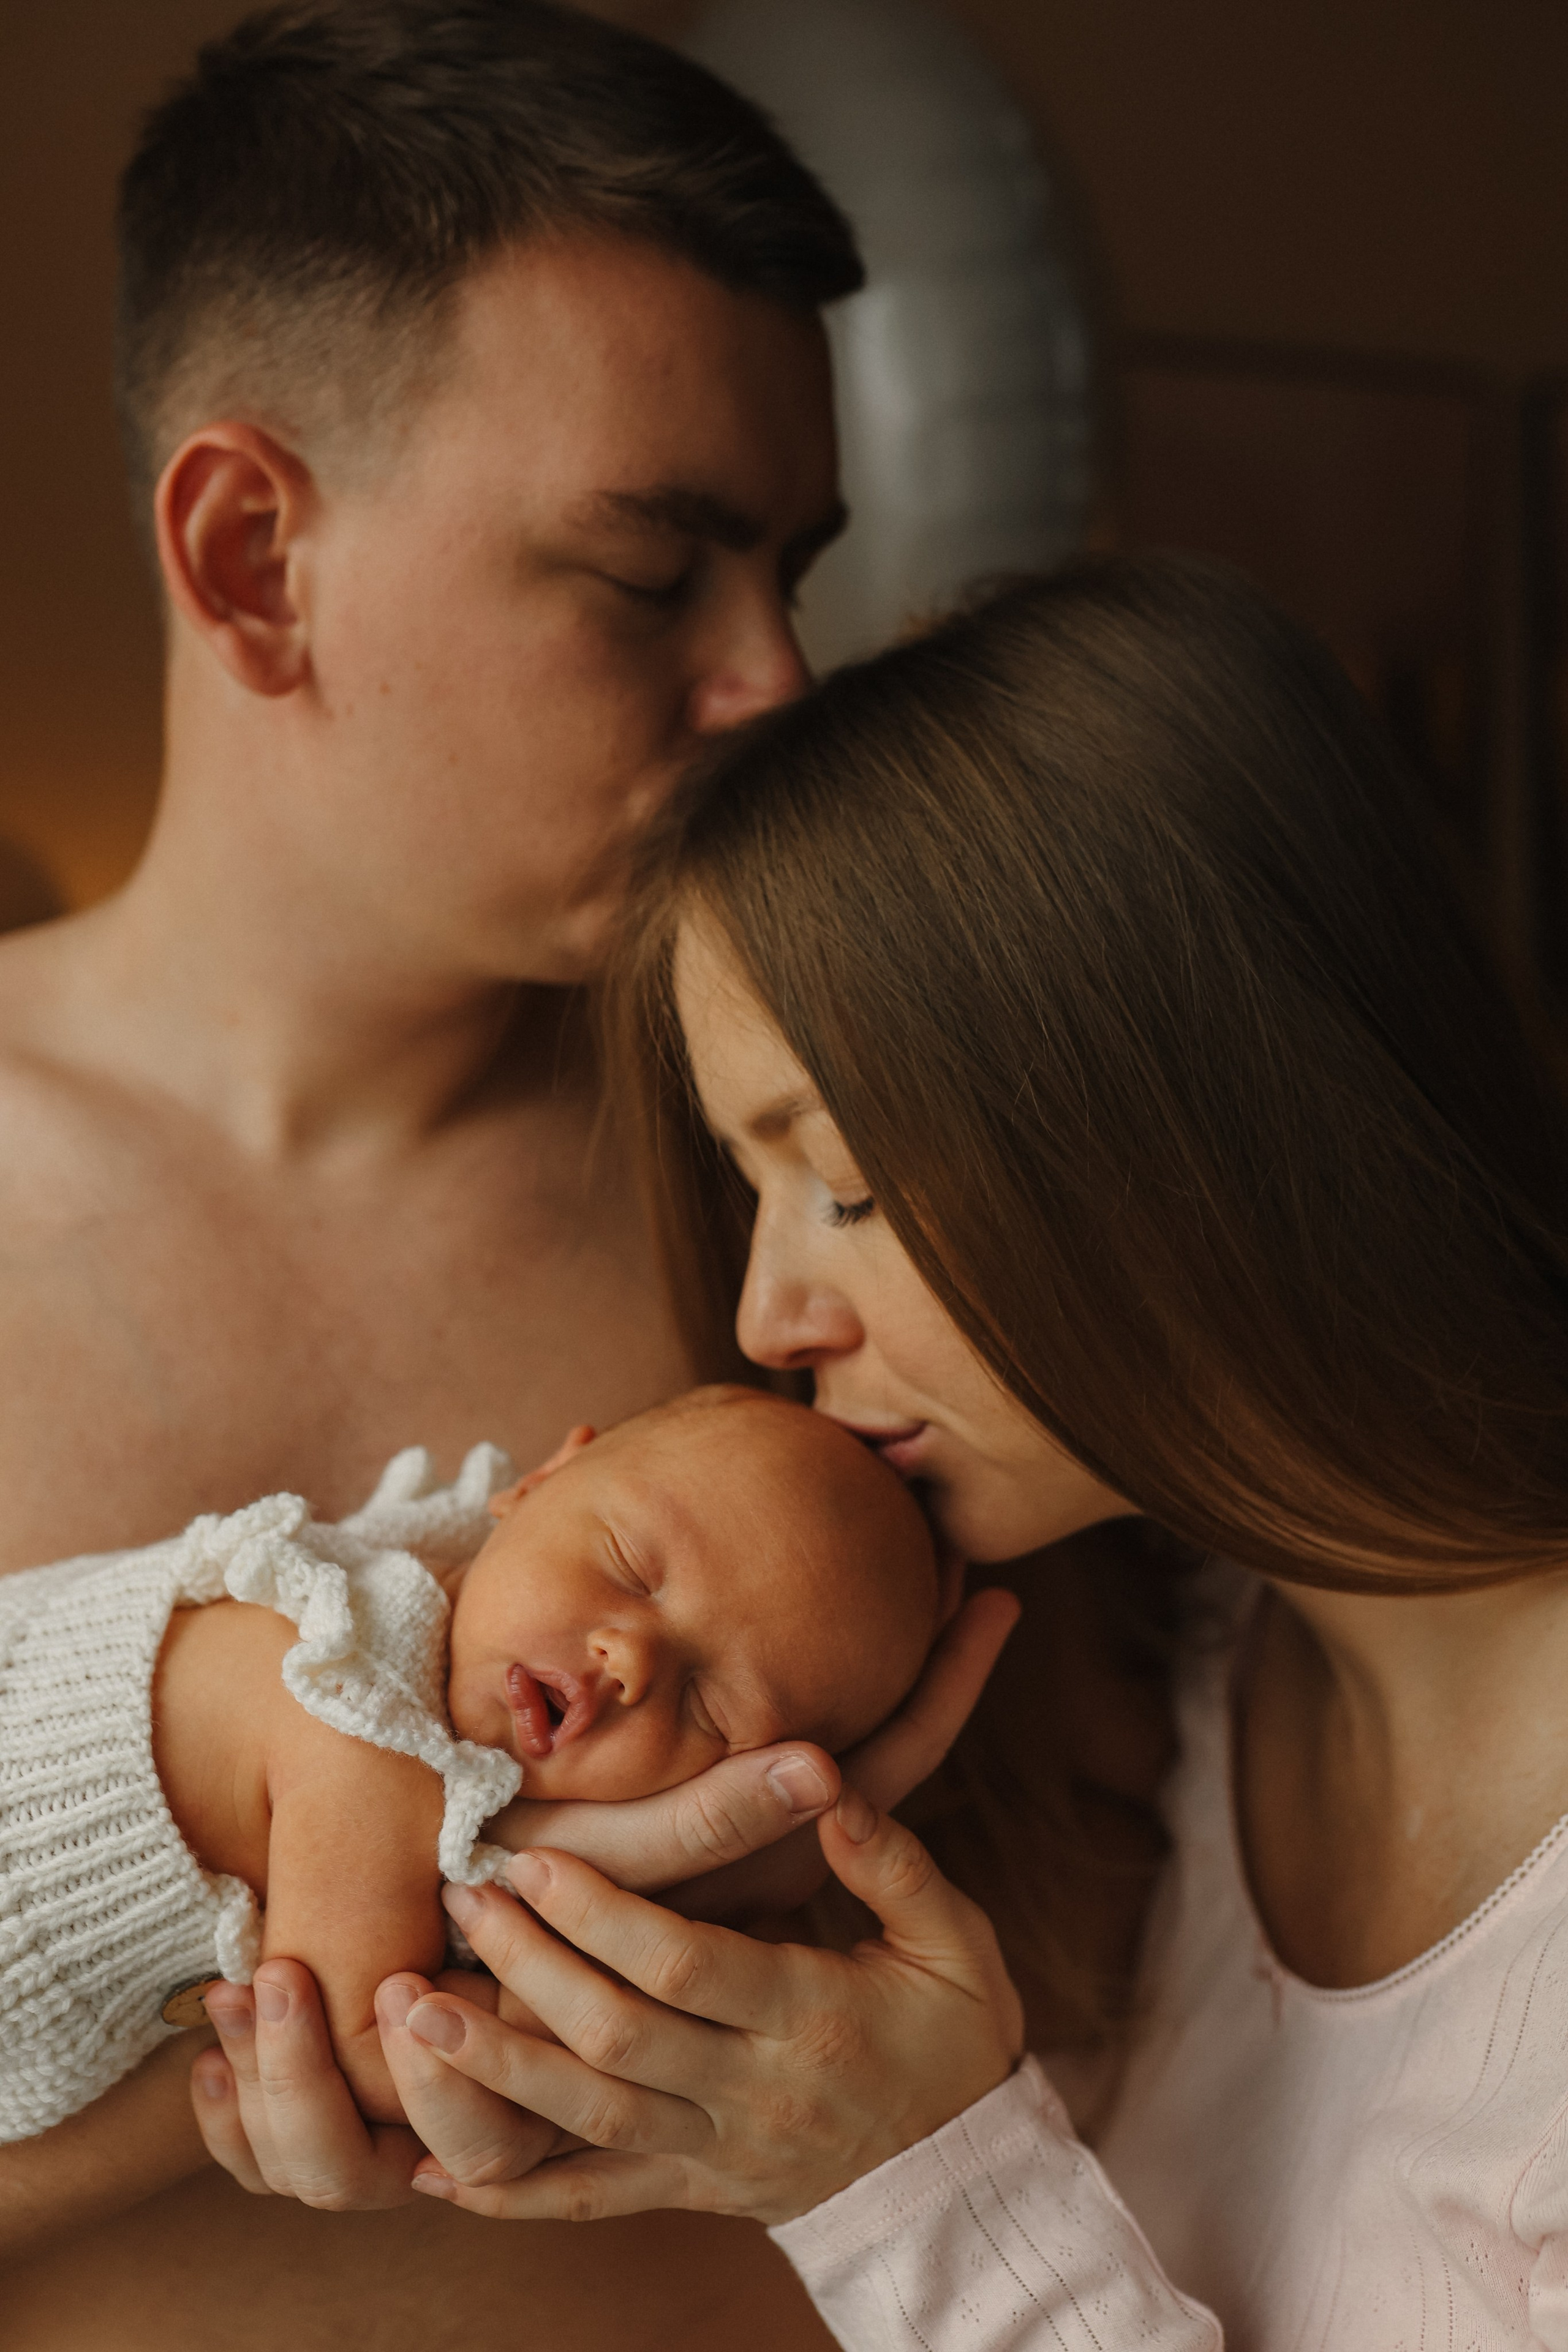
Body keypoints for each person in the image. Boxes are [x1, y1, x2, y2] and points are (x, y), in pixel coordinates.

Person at [0, 6, 1014, 2347]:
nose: (780, 678)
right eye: (655, 575)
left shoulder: (823, 1243)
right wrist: (391, 1963)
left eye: (794, 568)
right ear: (255, 557)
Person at [285, 557, 1568, 2348]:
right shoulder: (1171, 1678)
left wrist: (924, 2182)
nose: (765, 1321)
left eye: (849, 1184)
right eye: (756, 1195)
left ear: (1197, 1114)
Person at [3, 1387, 939, 2139]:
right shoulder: (363, 1724)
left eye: (709, 1707)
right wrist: (601, 1972)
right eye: (627, 1567)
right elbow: (368, 2065)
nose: (630, 1659)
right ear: (534, 1482)